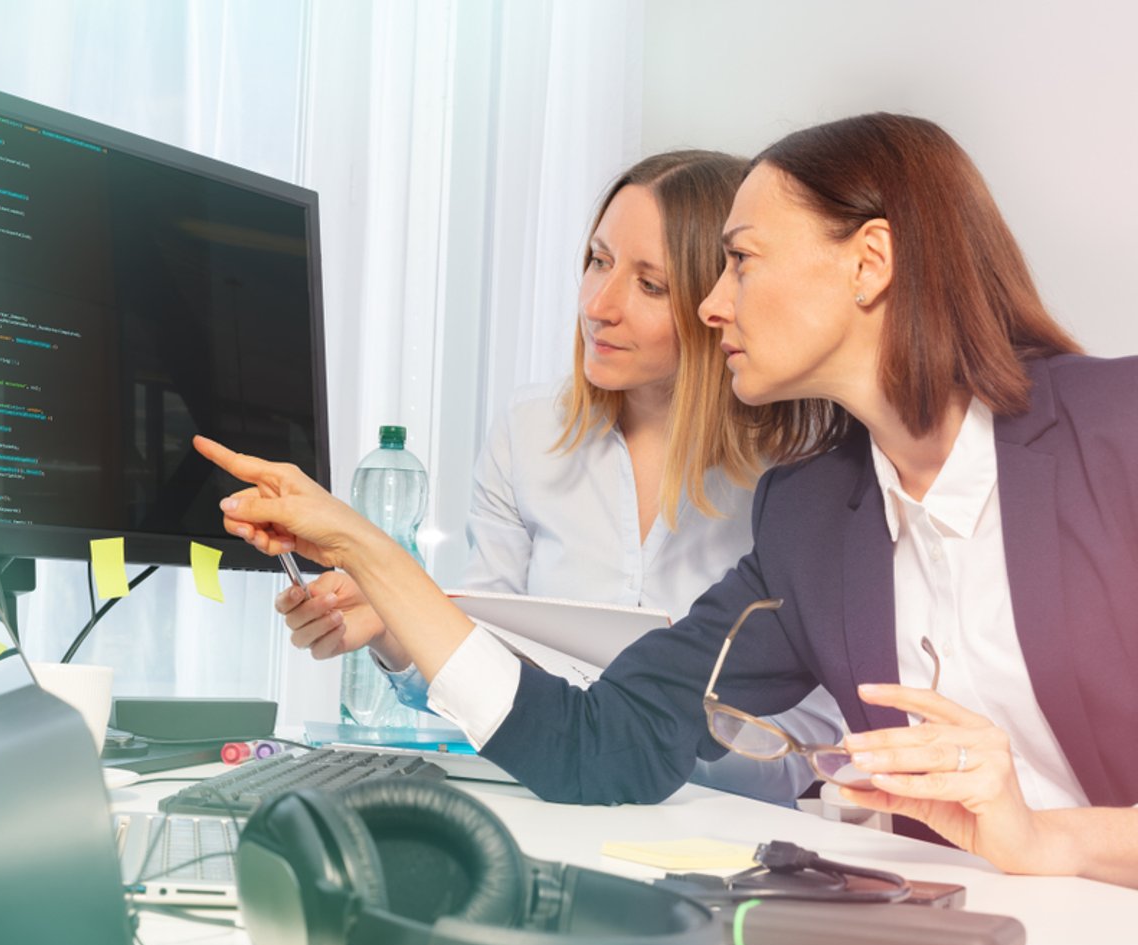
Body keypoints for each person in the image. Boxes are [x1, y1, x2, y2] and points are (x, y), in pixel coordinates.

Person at [196, 113, 1138, 887]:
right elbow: (606, 742)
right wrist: (373, 553)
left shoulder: (1117, 432)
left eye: (740, 261)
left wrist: (1058, 840)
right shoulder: (811, 519)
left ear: (869, 262)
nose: (711, 304)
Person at [279, 150, 843, 804]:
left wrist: (624, 742)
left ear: (718, 302)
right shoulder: (529, 436)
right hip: (551, 803)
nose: (600, 305)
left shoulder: (801, 472)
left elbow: (811, 744)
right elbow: (480, 656)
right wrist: (394, 627)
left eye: (650, 285)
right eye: (599, 261)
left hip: (722, 836)